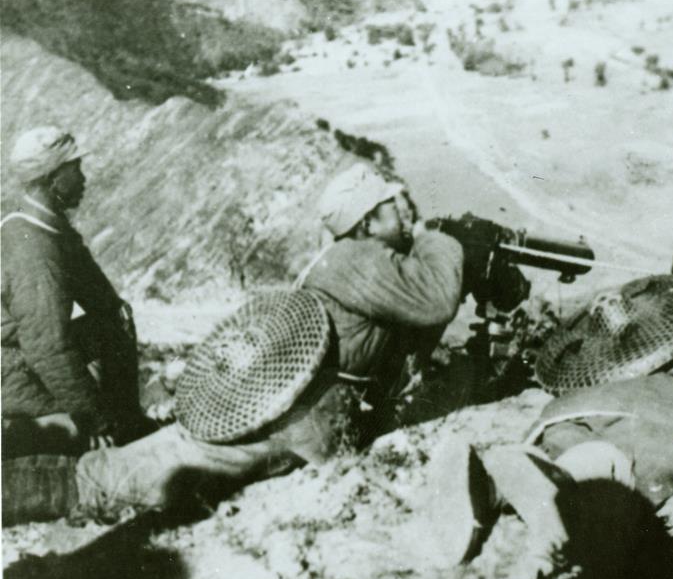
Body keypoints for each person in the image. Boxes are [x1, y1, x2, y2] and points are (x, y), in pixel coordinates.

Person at [2, 161, 466, 525]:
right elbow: (438, 298)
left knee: (148, 459)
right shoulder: (361, 258)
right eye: (392, 207)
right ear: (368, 222)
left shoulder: (346, 256)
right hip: (298, 422)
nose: (405, 214)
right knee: (120, 477)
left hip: (279, 407)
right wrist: (437, 239)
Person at [427, 230, 673, 573]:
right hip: (668, 402)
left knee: (567, 435)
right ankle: (566, 508)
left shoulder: (640, 293)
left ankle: (495, 487)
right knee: (638, 452)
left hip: (590, 396)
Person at [1, 126, 147, 458]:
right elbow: (46, 347)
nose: (83, 179)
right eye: (75, 169)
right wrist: (94, 419)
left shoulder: (49, 230)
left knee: (116, 319)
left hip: (27, 359)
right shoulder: (33, 252)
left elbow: (104, 302)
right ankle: (110, 431)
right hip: (12, 376)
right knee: (89, 433)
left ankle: (127, 422)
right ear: (52, 178)